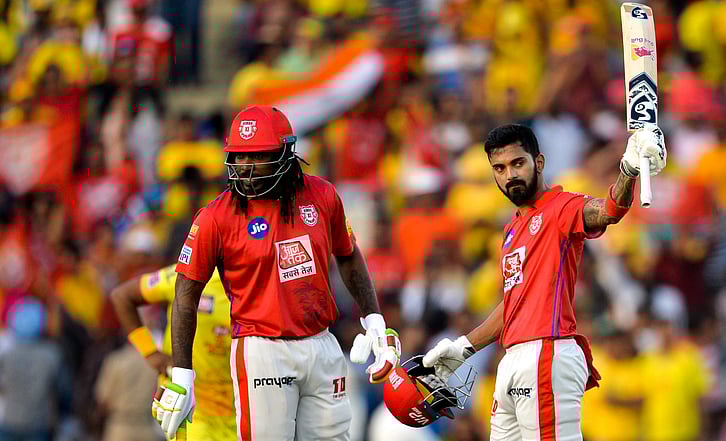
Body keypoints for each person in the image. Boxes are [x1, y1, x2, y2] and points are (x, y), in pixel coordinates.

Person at [154, 105, 399, 440]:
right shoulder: (215, 217)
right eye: (239, 157)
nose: (245, 167)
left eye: (256, 156)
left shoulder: (323, 195)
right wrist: (183, 373)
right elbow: (186, 292)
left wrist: (374, 320)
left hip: (322, 344)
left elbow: (348, 255)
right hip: (262, 349)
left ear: (286, 153)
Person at [422, 123, 667, 439]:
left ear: (538, 162)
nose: (509, 175)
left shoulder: (561, 206)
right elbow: (514, 303)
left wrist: (629, 169)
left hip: (545, 353)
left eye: (517, 163)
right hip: (513, 360)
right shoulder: (511, 231)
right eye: (499, 168)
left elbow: (609, 210)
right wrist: (464, 347)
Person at [111, 264, 235, 440]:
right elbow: (122, 297)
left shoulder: (262, 285)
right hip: (191, 409)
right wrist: (151, 353)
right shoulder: (187, 274)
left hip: (241, 409)